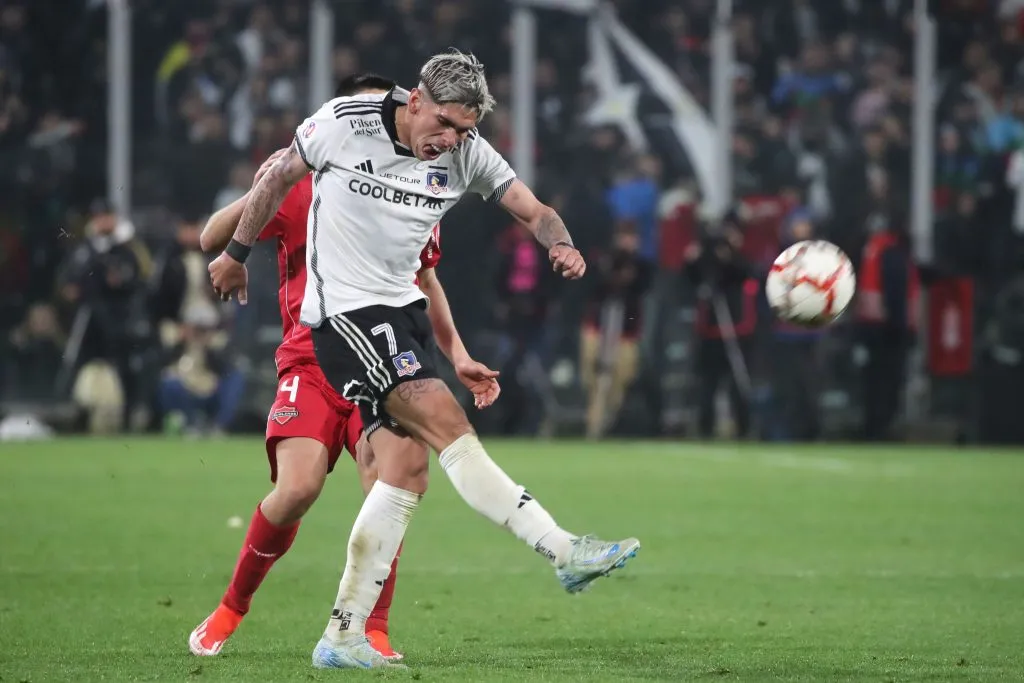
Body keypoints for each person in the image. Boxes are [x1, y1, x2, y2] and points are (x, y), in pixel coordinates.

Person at [208, 50, 640, 669]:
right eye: (443, 123)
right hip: (345, 320)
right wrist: (236, 253)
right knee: (448, 425)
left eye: (464, 129)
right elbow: (276, 178)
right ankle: (563, 550)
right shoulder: (343, 121)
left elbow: (535, 211)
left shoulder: (468, 153)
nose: (451, 139)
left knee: (406, 473)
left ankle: (343, 636)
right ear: (414, 100)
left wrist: (562, 243)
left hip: (402, 316)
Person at [189, 74, 482, 662]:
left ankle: (371, 630)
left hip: (380, 359)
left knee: (390, 485)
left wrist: (458, 354)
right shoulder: (301, 181)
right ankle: (231, 608)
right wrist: (271, 179)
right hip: (312, 356)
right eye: (369, 108)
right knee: (296, 489)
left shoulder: (411, 189)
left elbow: (427, 279)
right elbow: (211, 238)